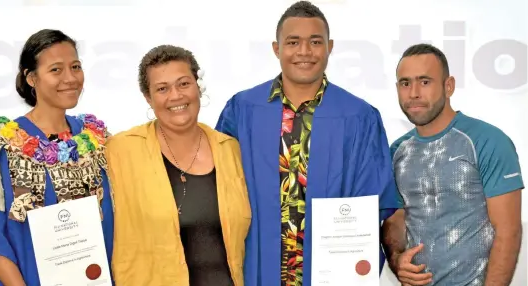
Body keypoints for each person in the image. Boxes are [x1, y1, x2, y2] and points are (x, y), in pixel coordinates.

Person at [214, 1, 401, 285]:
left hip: (333, 271)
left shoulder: (359, 116)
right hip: (257, 267)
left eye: (315, 41)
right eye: (293, 42)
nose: (304, 51)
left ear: (330, 47)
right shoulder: (243, 109)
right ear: (277, 48)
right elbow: (220, 183)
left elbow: (371, 200)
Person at [0, 29, 115, 285]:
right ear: (31, 78)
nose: (70, 78)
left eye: (75, 66)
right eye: (56, 70)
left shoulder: (98, 139)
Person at [105, 44, 250, 286]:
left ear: (197, 86)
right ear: (148, 98)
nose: (176, 96)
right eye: (162, 89)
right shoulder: (119, 151)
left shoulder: (231, 150)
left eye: (184, 83)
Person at [382, 43, 524, 286]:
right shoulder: (397, 151)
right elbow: (396, 218)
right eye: (405, 83)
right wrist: (396, 259)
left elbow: (508, 232)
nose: (414, 92)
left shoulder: (487, 141)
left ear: (449, 86)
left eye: (425, 82)